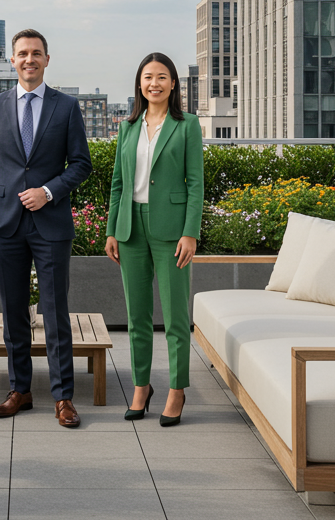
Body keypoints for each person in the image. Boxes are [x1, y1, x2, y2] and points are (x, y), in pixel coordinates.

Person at [0, 29, 92, 428]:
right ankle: (20, 390)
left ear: (47, 59)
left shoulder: (67, 107)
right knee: (13, 312)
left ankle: (63, 397)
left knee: (56, 312)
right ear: (12, 60)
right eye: (22, 54)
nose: (29, 60)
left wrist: (47, 191)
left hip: (51, 223)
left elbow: (80, 164)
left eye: (36, 54)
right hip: (4, 224)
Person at [104, 52, 203, 427]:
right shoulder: (128, 127)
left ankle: (176, 390)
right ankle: (141, 386)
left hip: (172, 229)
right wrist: (112, 229)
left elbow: (196, 184)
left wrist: (190, 233)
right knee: (137, 317)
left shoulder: (187, 125)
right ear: (139, 84)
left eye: (162, 77)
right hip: (131, 229)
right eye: (148, 77)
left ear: (173, 84)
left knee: (176, 317)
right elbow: (117, 183)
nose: (154, 84)